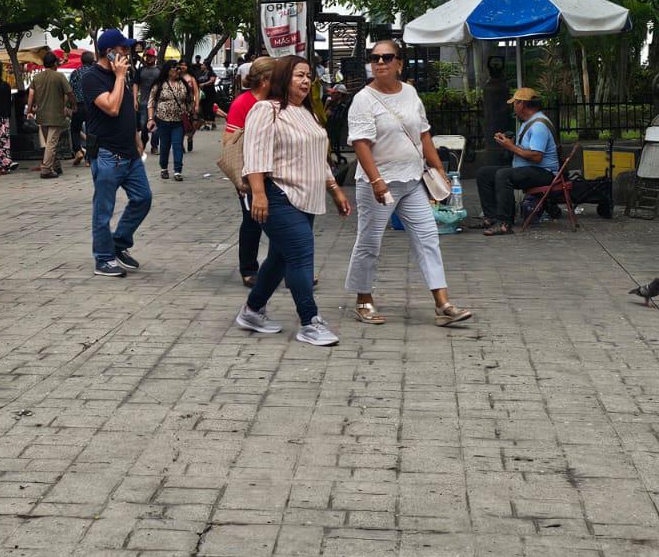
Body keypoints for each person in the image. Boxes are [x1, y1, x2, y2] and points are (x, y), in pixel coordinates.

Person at [344, 39, 473, 327]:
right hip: (379, 183)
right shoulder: (363, 99)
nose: (380, 62)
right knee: (369, 241)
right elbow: (361, 144)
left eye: (387, 57)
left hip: (412, 179)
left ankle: (442, 303)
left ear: (399, 63)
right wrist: (377, 180)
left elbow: (423, 134)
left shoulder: (411, 93)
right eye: (375, 58)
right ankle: (363, 299)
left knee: (428, 238)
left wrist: (438, 168)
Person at [237, 54, 351, 346]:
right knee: (300, 253)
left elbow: (317, 157)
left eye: (308, 75)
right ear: (283, 78)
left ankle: (252, 311)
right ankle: (310, 321)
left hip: (307, 196)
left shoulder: (307, 113)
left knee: (279, 257)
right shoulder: (266, 109)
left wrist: (335, 189)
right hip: (277, 194)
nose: (305, 81)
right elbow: (255, 153)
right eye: (299, 75)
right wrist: (258, 193)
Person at [84, 28, 151, 278]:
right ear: (109, 52)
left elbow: (126, 111)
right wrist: (120, 77)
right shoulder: (92, 78)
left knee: (143, 198)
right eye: (123, 49)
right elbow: (111, 108)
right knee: (103, 210)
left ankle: (119, 243)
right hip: (107, 155)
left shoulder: (122, 76)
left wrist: (136, 138)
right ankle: (103, 258)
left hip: (129, 153)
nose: (127, 53)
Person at [476, 87, 560, 235]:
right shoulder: (528, 123)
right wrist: (509, 143)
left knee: (503, 175)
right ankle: (491, 217)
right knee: (484, 173)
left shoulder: (538, 126)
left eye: (514, 103)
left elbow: (536, 156)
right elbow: (524, 150)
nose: (513, 107)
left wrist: (510, 146)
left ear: (521, 104)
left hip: (544, 173)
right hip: (528, 169)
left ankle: (504, 223)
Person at [223, 57, 276, 285]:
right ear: (265, 80)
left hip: (275, 170)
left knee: (282, 222)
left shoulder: (277, 100)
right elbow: (229, 140)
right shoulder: (243, 103)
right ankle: (248, 268)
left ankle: (291, 266)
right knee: (252, 220)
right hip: (250, 170)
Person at [27, 49, 76, 179]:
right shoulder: (59, 76)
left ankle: (56, 165)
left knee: (50, 143)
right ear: (55, 63)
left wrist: (29, 110)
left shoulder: (36, 78)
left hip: (41, 116)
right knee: (51, 143)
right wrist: (74, 106)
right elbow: (70, 93)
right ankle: (46, 169)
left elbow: (31, 95)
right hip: (56, 115)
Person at [147, 61, 196, 181]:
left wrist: (191, 113)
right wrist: (150, 119)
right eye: (176, 69)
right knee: (164, 145)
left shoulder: (183, 84)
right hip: (162, 120)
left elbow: (190, 100)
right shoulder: (159, 85)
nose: (179, 71)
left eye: (179, 69)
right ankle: (164, 168)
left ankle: (177, 171)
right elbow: (151, 103)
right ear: (168, 70)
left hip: (179, 121)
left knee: (178, 145)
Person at [68, 51, 93, 165]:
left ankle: (78, 151)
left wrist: (72, 105)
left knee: (75, 129)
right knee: (91, 131)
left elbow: (70, 90)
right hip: (92, 106)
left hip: (78, 105)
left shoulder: (75, 73)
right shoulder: (95, 72)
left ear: (82, 61)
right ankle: (89, 159)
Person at [135, 47, 161, 152]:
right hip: (143, 102)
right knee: (143, 124)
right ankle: (144, 139)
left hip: (157, 103)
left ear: (155, 57)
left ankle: (154, 146)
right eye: (147, 56)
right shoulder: (141, 70)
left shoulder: (159, 71)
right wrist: (135, 99)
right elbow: (135, 84)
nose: (149, 58)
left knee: (156, 125)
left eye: (151, 56)